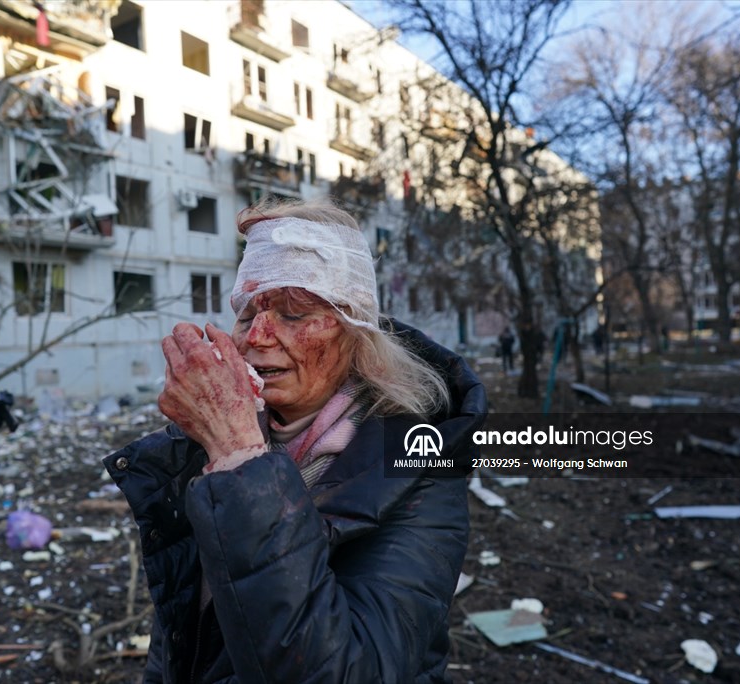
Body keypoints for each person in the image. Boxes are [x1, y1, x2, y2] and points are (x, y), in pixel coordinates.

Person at [104, 198, 486, 683]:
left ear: (357, 335)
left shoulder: (421, 470)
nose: (256, 337)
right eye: (246, 316)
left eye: (292, 313)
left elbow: (341, 672)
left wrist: (240, 456)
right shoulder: (213, 442)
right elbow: (182, 633)